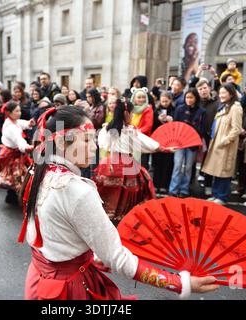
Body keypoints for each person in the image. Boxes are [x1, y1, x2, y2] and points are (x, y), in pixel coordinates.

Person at [20, 105, 218, 300]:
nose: (95, 146)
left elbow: (50, 233)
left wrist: (89, 255)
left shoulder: (36, 173)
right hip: (68, 290)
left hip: (38, 279)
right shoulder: (76, 190)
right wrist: (180, 283)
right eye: (87, 139)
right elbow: (117, 258)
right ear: (62, 143)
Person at [95, 99, 162, 221]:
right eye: (131, 113)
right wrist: (161, 148)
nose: (132, 115)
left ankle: (108, 213)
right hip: (126, 163)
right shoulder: (130, 130)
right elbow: (146, 143)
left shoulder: (107, 129)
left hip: (109, 163)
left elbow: (102, 144)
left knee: (107, 189)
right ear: (126, 113)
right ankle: (124, 214)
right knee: (132, 189)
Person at [202, 84, 243, 205]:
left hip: (226, 145)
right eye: (220, 93)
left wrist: (225, 140)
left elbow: (236, 129)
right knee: (216, 170)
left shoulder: (235, 107)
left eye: (224, 93)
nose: (221, 95)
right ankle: (216, 194)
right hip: (217, 144)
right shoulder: (224, 106)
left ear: (231, 94)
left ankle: (222, 197)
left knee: (224, 172)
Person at [0, 101, 35, 205]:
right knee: (19, 176)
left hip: (13, 153)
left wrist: (28, 123)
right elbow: (19, 139)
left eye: (19, 110)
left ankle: (13, 196)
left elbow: (21, 123)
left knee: (15, 176)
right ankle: (19, 197)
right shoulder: (11, 127)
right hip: (13, 155)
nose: (19, 113)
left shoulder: (12, 122)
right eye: (16, 111)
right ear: (9, 113)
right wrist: (27, 147)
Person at [169, 88, 206, 198]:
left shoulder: (201, 111)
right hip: (179, 142)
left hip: (192, 144)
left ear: (196, 98)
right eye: (187, 97)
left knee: (189, 167)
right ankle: (173, 189)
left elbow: (203, 129)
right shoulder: (179, 109)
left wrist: (194, 134)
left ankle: (184, 189)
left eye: (191, 97)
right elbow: (175, 125)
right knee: (177, 165)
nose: (189, 100)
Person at [195, 79, 219, 196]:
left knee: (209, 161)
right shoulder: (197, 102)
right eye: (200, 89)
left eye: (205, 88)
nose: (203, 91)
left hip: (212, 136)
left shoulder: (217, 102)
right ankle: (190, 184)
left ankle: (208, 185)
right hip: (198, 135)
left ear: (209, 88)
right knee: (193, 161)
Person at [152, 91, 175, 196]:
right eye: (162, 101)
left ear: (170, 101)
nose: (164, 103)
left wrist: (172, 121)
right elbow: (152, 125)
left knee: (168, 163)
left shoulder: (174, 110)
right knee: (157, 163)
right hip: (158, 139)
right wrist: (158, 120)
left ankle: (165, 185)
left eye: (166, 101)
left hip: (170, 140)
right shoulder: (155, 111)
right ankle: (156, 185)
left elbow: (177, 126)